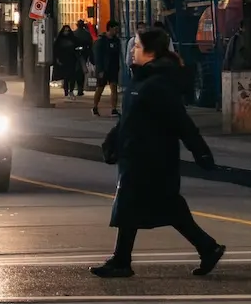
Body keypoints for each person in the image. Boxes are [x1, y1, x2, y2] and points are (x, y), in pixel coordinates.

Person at [92, 27, 224, 278]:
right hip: (137, 154)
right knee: (157, 208)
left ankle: (122, 261)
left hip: (152, 158)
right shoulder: (141, 79)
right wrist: (113, 140)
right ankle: (207, 247)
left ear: (151, 52)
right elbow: (129, 118)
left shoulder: (158, 83)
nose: (133, 49)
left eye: (138, 46)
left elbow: (181, 121)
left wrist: (201, 153)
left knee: (139, 207)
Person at [93, 21, 123, 116]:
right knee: (100, 88)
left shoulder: (116, 41)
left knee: (114, 87)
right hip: (103, 68)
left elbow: (118, 54)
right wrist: (100, 69)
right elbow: (98, 57)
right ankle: (95, 106)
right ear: (110, 28)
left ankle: (114, 108)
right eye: (115, 29)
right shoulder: (101, 40)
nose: (117, 31)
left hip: (113, 67)